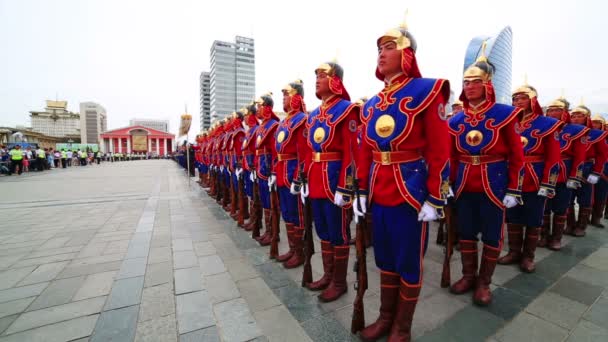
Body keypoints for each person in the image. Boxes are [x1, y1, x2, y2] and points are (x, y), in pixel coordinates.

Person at [353, 22, 450, 341]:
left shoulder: (428, 91)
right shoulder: (371, 103)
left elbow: (440, 149)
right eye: (379, 48)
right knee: (384, 259)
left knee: (408, 261)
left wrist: (436, 197)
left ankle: (402, 327)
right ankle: (384, 318)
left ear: (407, 53)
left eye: (389, 46)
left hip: (411, 191)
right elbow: (365, 152)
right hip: (378, 193)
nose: (382, 53)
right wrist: (360, 190)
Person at [447, 44, 524, 306]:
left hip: (495, 183)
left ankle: (484, 283)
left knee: (492, 235)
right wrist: (446, 182)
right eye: (466, 82)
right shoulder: (455, 121)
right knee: (466, 232)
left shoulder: (505, 114)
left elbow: (517, 155)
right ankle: (468, 275)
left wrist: (514, 188)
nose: (469, 87)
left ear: (487, 84)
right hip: (464, 184)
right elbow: (450, 156)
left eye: (475, 82)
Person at [300, 60, 355, 303]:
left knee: (338, 232)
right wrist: (304, 180)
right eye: (317, 75)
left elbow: (352, 153)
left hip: (335, 182)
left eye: (323, 75)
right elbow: (308, 151)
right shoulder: (313, 115)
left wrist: (346, 186)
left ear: (335, 80)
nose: (317, 79)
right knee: (322, 230)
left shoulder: (347, 109)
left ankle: (339, 282)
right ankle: (328, 275)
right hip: (316, 181)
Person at [497, 83, 561, 273]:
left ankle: (528, 256)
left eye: (522, 98)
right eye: (515, 98)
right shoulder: (508, 122)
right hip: (512, 176)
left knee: (533, 217)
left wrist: (548, 182)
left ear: (532, 100)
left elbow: (554, 157)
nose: (517, 101)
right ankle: (514, 252)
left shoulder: (547, 124)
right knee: (513, 216)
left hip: (535, 177)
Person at [541, 98, 588, 250]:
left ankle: (556, 238)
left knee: (562, 207)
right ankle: (544, 236)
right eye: (550, 110)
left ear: (565, 112)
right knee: (545, 206)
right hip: (544, 172)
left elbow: (580, 156)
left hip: (564, 173)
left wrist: (575, 176)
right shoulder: (543, 127)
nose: (553, 113)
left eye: (557, 110)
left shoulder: (576, 130)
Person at [272, 79, 308, 268]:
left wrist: (299, 177)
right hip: (281, 171)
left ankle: (300, 253)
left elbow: (303, 152)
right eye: (283, 95)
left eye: (287, 94)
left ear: (296, 96)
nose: (284, 98)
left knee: (297, 214)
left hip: (293, 172)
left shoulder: (301, 119)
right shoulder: (284, 122)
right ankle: (293, 249)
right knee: (286, 212)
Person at [566, 104, 608, 236]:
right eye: (573, 116)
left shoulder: (597, 134)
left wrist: (596, 172)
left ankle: (581, 226)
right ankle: (570, 224)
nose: (576, 118)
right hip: (569, 166)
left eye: (580, 116)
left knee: (585, 198)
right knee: (568, 198)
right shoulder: (566, 132)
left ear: (586, 118)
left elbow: (603, 155)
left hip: (587, 168)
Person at [254, 93, 280, 246]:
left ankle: (274, 234)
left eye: (260, 106)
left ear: (267, 108)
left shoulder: (273, 126)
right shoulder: (262, 126)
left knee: (272, 203)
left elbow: (276, 151)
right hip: (260, 168)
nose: (257, 109)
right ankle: (268, 232)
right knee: (264, 201)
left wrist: (274, 172)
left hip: (269, 168)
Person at [590, 115, 608, 228]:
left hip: (605, 170)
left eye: (597, 123)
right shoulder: (588, 136)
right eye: (593, 122)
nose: (595, 125)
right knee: (588, 195)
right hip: (591, 169)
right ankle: (585, 219)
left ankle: (596, 218)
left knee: (601, 195)